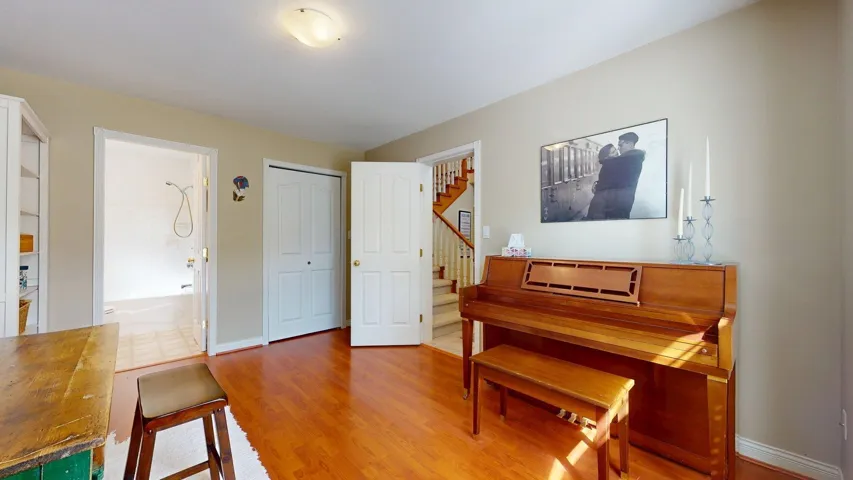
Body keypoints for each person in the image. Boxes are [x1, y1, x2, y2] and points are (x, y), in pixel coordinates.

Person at [588, 132, 646, 219]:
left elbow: (608, 183)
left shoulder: (629, 161)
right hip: (615, 207)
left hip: (613, 209)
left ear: (629, 144)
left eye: (620, 145)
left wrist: (598, 185)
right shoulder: (631, 159)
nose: (618, 149)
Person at [585, 144, 618, 220]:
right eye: (613, 152)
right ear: (606, 157)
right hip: (602, 205)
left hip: (600, 202)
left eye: (615, 150)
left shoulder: (607, 165)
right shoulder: (610, 166)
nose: (616, 153)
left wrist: (597, 183)